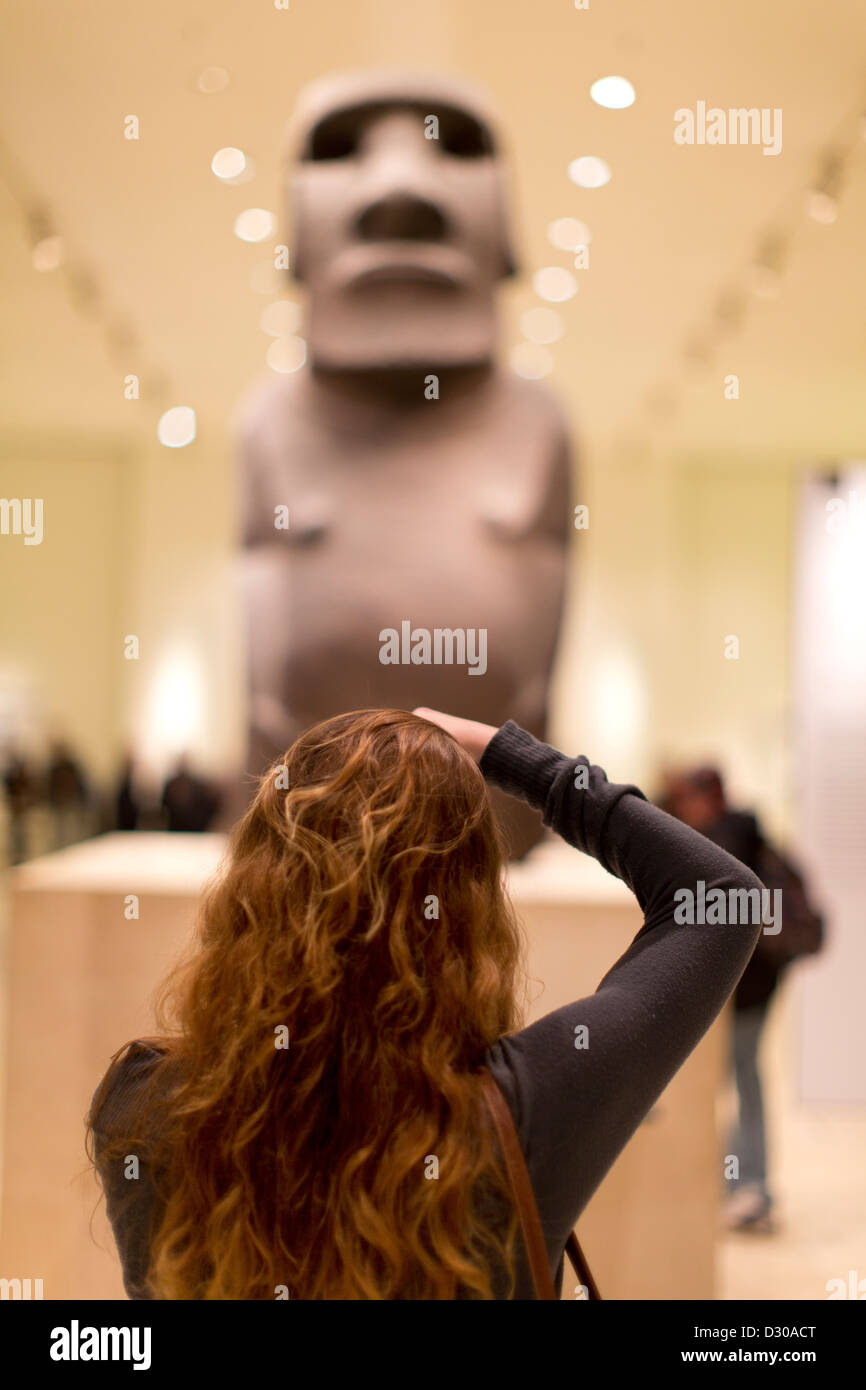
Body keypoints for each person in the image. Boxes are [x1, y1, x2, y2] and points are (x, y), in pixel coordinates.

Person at [87, 708, 763, 1300]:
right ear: (468, 903)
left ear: (254, 884)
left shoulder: (145, 1102)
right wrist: (514, 760)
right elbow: (721, 898)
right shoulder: (522, 1107)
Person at [662, 766, 822, 1234]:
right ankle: (746, 1185)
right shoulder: (750, 832)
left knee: (737, 1082)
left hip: (741, 987)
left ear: (704, 798)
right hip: (758, 984)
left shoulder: (722, 839)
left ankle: (748, 1186)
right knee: (743, 1079)